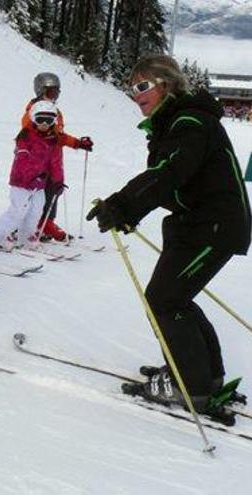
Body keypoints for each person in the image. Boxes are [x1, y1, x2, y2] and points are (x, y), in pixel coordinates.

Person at [87, 54, 251, 409]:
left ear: (168, 84)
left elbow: (170, 172)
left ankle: (191, 387)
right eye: (132, 88)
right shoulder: (179, 122)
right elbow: (176, 183)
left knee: (165, 299)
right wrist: (130, 212)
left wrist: (123, 205)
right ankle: (203, 375)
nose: (137, 94)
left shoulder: (189, 122)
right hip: (199, 223)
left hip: (214, 227)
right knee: (174, 298)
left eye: (143, 85)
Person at [20, 72, 93, 241]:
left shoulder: (56, 112)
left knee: (54, 189)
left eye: (57, 93)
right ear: (40, 91)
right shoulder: (32, 112)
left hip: (53, 159)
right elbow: (30, 135)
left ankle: (47, 222)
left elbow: (59, 136)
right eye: (51, 92)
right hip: (37, 161)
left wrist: (78, 143)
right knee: (35, 193)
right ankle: (30, 223)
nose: (54, 96)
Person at [0, 101, 64, 251]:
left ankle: (26, 237)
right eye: (40, 119)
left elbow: (55, 163)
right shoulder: (25, 137)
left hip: (39, 184)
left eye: (48, 120)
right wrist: (32, 176)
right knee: (18, 210)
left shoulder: (53, 140)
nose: (44, 124)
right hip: (21, 182)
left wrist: (58, 181)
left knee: (36, 210)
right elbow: (22, 160)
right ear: (33, 119)